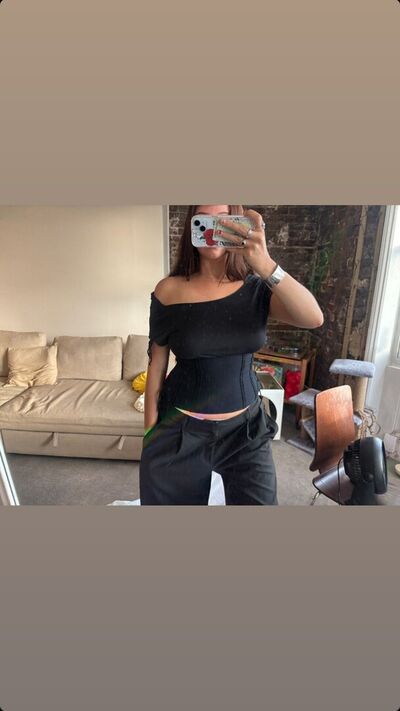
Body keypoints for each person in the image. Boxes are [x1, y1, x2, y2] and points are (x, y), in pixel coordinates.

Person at [139, 205, 324, 505]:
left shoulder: (257, 289)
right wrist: (149, 436)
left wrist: (266, 265)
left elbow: (313, 318)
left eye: (223, 221)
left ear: (237, 225)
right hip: (181, 433)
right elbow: (156, 367)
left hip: (246, 433)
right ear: (191, 226)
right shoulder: (168, 291)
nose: (213, 229)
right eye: (204, 220)